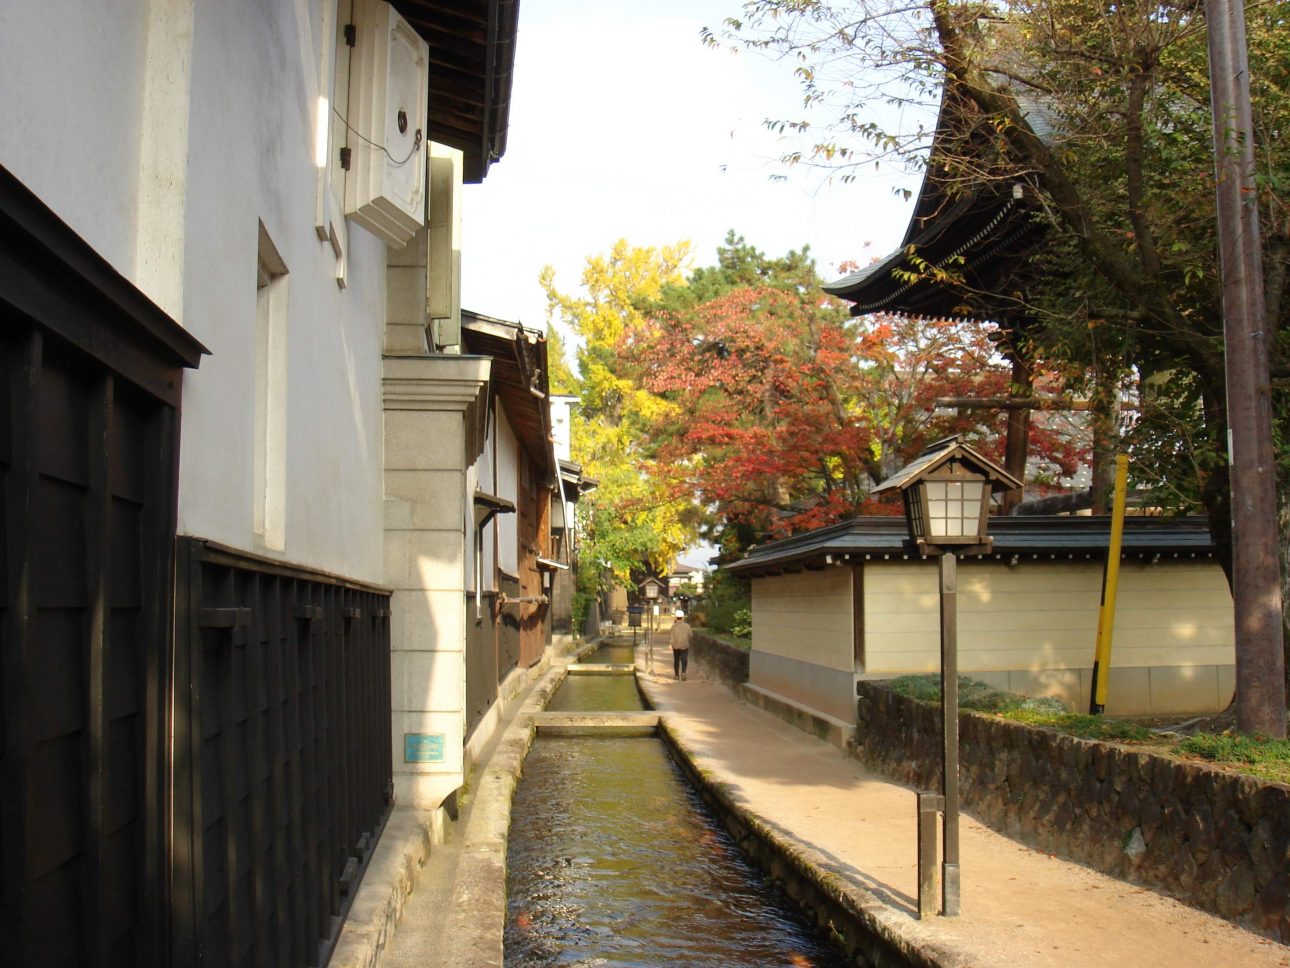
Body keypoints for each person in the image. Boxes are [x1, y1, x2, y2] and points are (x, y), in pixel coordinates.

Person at [670, 608, 692, 680]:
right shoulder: (687, 626)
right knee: (684, 659)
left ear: (676, 617)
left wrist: (671, 644)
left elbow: (671, 636)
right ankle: (683, 673)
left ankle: (676, 675)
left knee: (676, 660)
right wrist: (688, 640)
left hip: (675, 645)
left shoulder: (673, 626)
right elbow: (690, 635)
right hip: (684, 645)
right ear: (683, 617)